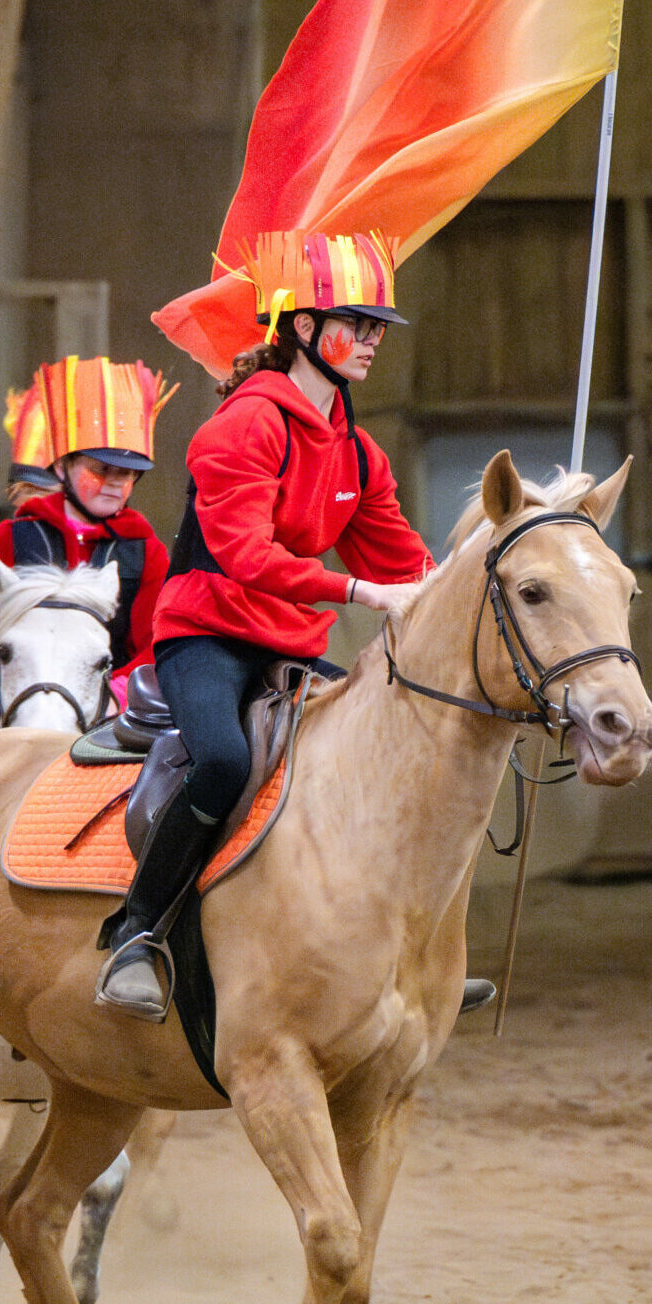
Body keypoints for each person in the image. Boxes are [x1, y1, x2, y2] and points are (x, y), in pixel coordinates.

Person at [96, 230, 438, 1021]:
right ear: (304, 328)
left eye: (379, 325)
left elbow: (404, 561)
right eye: (357, 322)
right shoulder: (244, 426)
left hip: (287, 643)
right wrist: (355, 590)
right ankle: (136, 933)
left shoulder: (358, 453)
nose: (374, 340)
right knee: (219, 761)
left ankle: (397, 952)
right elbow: (245, 558)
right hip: (206, 634)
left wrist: (464, 588)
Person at [0, 355, 174, 736]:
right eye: (100, 469)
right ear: (61, 468)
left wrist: (116, 695)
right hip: (12, 720)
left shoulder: (146, 551)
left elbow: (161, 642)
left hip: (109, 723)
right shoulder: (15, 536)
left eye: (127, 474)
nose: (114, 483)